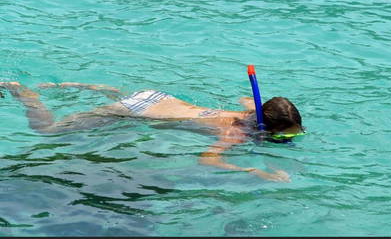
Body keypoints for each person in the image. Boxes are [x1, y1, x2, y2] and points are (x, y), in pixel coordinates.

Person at [0, 81, 304, 182]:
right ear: (268, 127)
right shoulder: (236, 133)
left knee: (125, 102)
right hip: (134, 111)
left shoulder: (249, 112)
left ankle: (93, 88)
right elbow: (208, 160)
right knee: (48, 130)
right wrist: (254, 170)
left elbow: (248, 98)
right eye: (286, 134)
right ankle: (24, 93)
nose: (287, 139)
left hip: (156, 97)